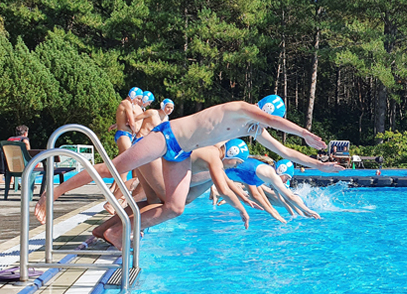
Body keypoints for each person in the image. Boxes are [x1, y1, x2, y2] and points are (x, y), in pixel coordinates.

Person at [36, 95, 343, 249]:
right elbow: (279, 127)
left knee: (174, 207)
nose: (264, 126)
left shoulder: (254, 128)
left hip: (181, 155)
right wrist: (304, 131)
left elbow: (285, 152)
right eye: (266, 120)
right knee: (115, 168)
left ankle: (119, 231)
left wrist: (320, 165)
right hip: (166, 137)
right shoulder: (241, 109)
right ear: (264, 112)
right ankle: (56, 190)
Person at [93, 139, 262, 241]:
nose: (236, 166)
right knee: (173, 208)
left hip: (148, 155)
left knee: (155, 202)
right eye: (237, 162)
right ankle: (117, 232)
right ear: (231, 153)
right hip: (153, 157)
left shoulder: (212, 160)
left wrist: (243, 199)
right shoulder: (214, 157)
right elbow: (224, 191)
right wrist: (242, 211)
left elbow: (191, 196)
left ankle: (103, 230)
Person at [225, 157, 320, 222]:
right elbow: (288, 198)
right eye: (286, 178)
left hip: (219, 172)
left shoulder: (260, 175)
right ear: (281, 170)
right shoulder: (269, 174)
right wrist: (272, 212)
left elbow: (256, 195)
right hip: (217, 171)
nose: (285, 181)